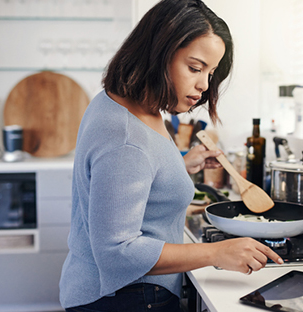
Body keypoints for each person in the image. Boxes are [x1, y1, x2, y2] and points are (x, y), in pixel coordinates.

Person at [59, 0, 283, 311]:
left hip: (118, 294)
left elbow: (130, 176)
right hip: (123, 299)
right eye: (194, 68)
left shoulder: (128, 104)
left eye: (211, 72)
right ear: (158, 53)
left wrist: (179, 165)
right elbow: (117, 252)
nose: (204, 85)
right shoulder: (125, 137)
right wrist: (216, 253)